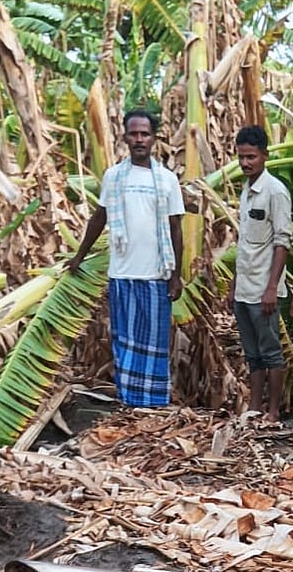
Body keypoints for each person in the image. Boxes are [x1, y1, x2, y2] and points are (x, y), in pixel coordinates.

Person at [68, 110, 184, 407]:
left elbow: (175, 228)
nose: (139, 139)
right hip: (122, 274)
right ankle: (130, 401)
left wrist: (176, 275)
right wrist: (79, 256)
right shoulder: (114, 177)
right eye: (134, 134)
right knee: (125, 341)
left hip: (156, 275)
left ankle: (153, 403)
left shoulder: (167, 180)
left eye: (145, 134)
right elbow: (100, 217)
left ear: (154, 138)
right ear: (125, 137)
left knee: (154, 342)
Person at [227, 126, 292, 422]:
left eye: (251, 157)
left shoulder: (275, 192)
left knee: (270, 351)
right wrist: (234, 285)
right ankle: (254, 408)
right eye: (241, 157)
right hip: (245, 287)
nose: (245, 163)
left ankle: (273, 411)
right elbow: (244, 245)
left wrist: (271, 287)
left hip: (264, 289)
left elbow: (282, 242)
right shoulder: (246, 191)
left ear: (265, 155)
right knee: (252, 353)